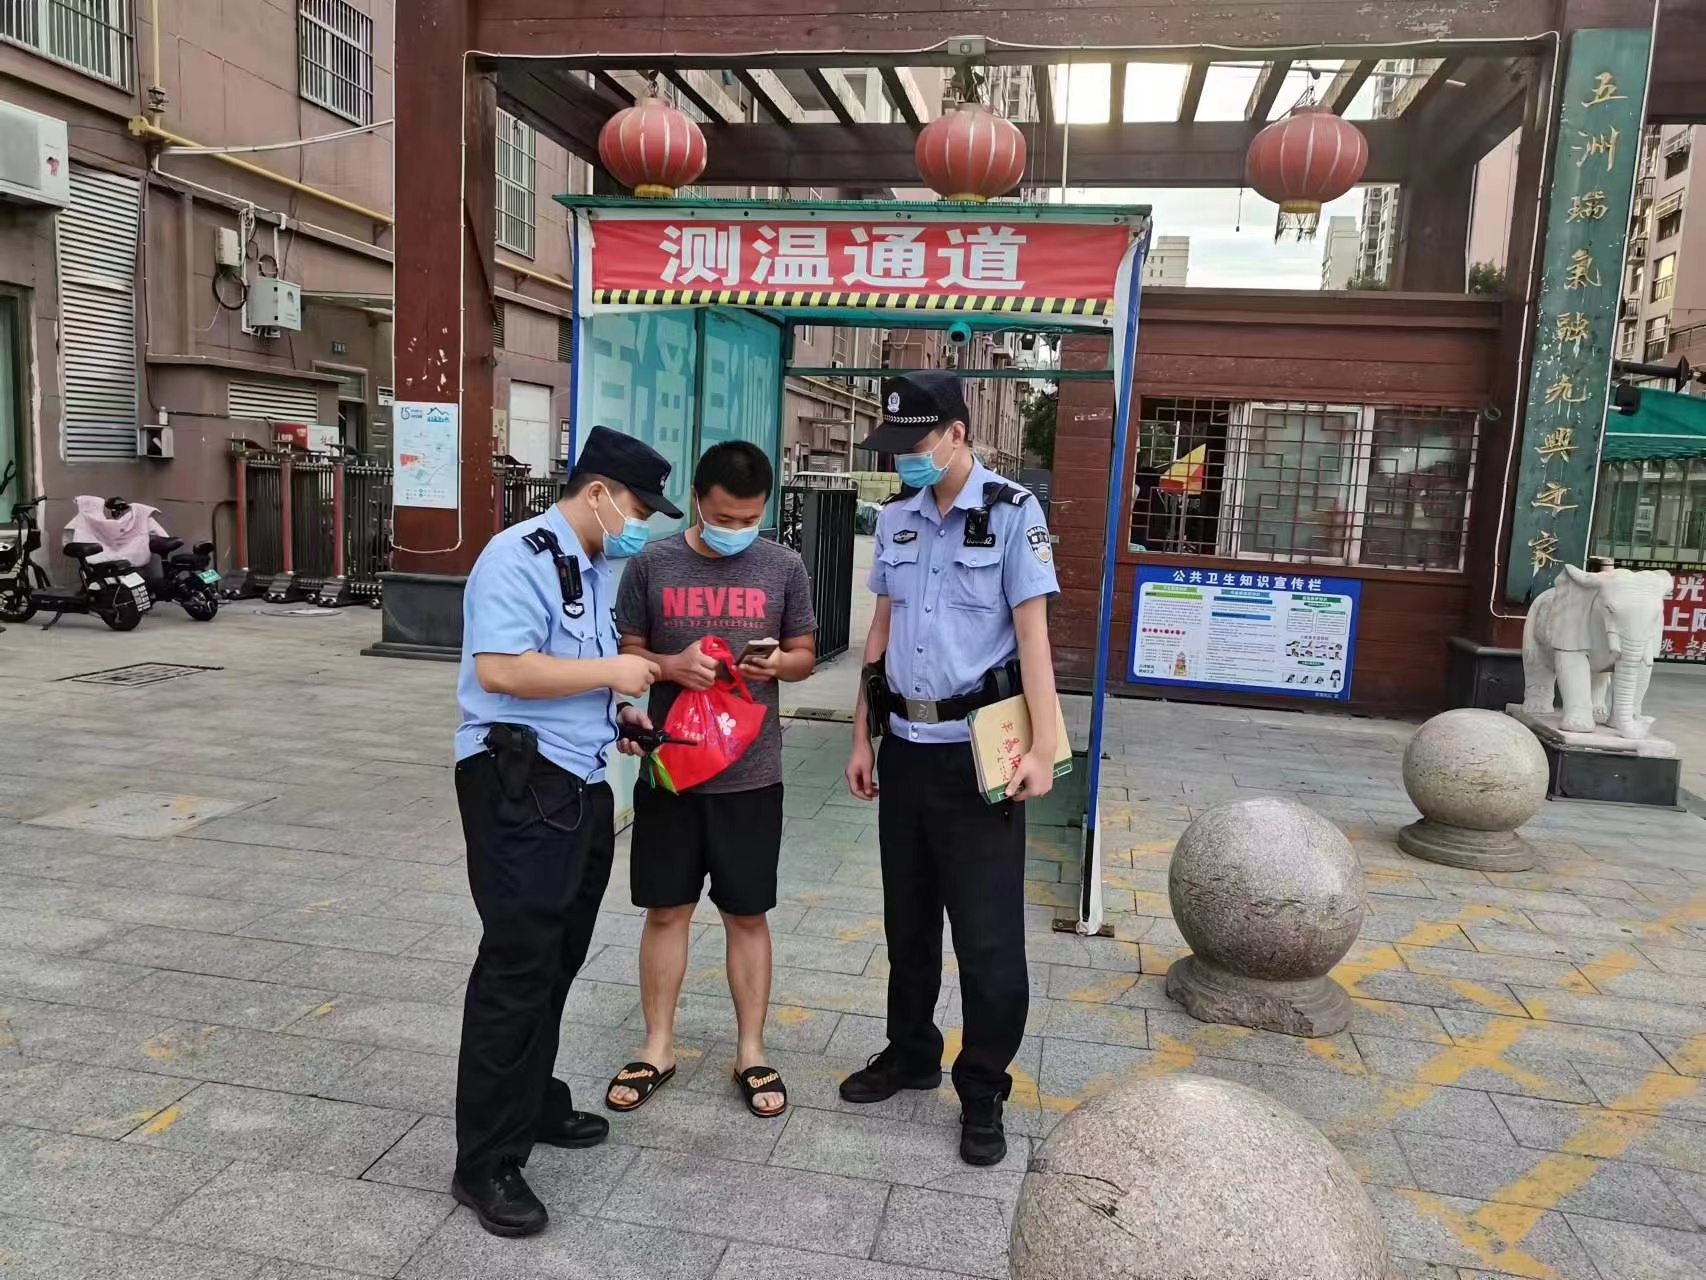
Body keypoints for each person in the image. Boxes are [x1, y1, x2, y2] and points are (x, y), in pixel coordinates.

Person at [450, 425, 682, 1238]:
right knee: (517, 965)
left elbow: (565, 673)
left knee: (557, 958)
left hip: (577, 786)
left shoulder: (587, 564)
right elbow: (502, 668)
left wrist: (620, 714)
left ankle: (534, 1100)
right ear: (598, 494)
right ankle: (485, 1162)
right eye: (638, 509)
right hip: (519, 785)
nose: (640, 524)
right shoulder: (516, 556)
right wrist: (614, 671)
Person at [840, 369, 1061, 1167]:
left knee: (987, 937)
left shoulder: (1013, 513)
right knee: (908, 925)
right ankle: (911, 1053)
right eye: (896, 445)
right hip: (906, 749)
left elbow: (1032, 639)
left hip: (978, 758)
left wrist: (1045, 748)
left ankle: (983, 1085)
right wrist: (861, 736)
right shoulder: (897, 519)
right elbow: (878, 634)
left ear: (958, 433)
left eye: (918, 442)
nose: (905, 458)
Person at [606, 440, 817, 1120]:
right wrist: (673, 667)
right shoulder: (652, 563)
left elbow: (805, 654)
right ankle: (657, 1046)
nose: (737, 529)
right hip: (671, 771)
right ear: (697, 500)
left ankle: (751, 1051)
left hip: (751, 777)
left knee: (747, 914)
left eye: (750, 518)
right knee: (666, 910)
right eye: (725, 517)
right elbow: (629, 653)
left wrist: (776, 665)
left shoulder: (783, 566)